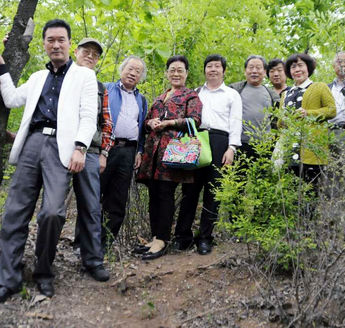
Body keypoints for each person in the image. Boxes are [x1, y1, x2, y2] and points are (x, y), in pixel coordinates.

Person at [0, 19, 98, 302]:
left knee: (53, 212)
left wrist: (80, 147)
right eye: (50, 40)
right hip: (32, 143)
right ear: (44, 44)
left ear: (69, 44)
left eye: (61, 40)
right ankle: (8, 279)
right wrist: (2, 65)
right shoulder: (38, 77)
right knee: (15, 212)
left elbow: (89, 116)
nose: (55, 44)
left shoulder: (84, 76)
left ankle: (43, 272)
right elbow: (12, 98)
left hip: (61, 148)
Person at [135, 55, 202, 260]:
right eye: (172, 69)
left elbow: (195, 121)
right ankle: (155, 237)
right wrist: (152, 123)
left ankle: (162, 240)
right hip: (153, 155)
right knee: (154, 194)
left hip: (173, 153)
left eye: (180, 70)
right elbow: (146, 123)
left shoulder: (191, 96)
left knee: (165, 194)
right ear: (167, 73)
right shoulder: (159, 97)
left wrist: (169, 123)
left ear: (186, 73)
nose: (175, 73)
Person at [175, 54, 242, 255]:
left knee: (213, 193)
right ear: (204, 70)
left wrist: (232, 148)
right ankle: (183, 236)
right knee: (190, 191)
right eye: (209, 66)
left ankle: (204, 238)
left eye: (217, 66)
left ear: (223, 70)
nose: (213, 69)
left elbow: (236, 122)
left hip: (221, 142)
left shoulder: (232, 95)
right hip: (197, 140)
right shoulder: (195, 92)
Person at [70, 37, 113, 282]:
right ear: (76, 52)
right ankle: (46, 257)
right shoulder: (63, 77)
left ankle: (93, 260)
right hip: (60, 147)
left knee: (91, 207)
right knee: (52, 207)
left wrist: (104, 153)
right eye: (86, 51)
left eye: (95, 54)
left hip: (91, 152)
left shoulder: (100, 87)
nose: (90, 56)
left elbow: (107, 122)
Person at [100, 56, 148, 250]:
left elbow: (142, 127)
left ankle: (105, 245)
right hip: (105, 149)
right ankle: (84, 242)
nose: (133, 73)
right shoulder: (106, 88)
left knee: (118, 199)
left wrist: (139, 151)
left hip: (128, 152)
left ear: (140, 77)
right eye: (130, 68)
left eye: (137, 71)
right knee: (93, 196)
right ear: (122, 69)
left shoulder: (141, 99)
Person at [281, 53, 335, 188]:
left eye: (301, 65)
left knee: (312, 191)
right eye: (293, 67)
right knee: (291, 191)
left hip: (312, 150)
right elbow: (280, 123)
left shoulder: (319, 87)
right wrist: (283, 120)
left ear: (308, 68)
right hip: (290, 150)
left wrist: (308, 113)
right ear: (289, 71)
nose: (297, 70)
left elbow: (331, 110)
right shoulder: (286, 93)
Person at [230, 55, 280, 160]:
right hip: (240, 144)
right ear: (245, 71)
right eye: (251, 67)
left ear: (264, 71)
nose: (254, 71)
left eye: (258, 68)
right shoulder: (234, 90)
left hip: (264, 146)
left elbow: (276, 121)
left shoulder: (272, 94)